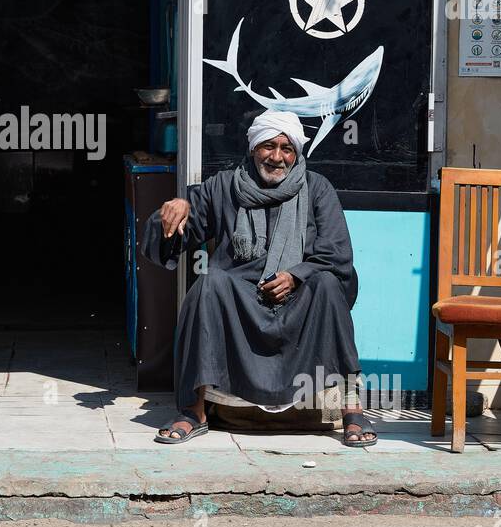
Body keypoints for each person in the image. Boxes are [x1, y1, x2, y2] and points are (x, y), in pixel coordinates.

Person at [142, 111, 376, 446]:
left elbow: (337, 253)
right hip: (241, 298)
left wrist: (296, 276)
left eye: (287, 148)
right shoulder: (224, 186)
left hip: (300, 298)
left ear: (296, 153)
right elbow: (184, 219)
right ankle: (194, 412)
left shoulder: (317, 188)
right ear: (254, 148)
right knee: (209, 285)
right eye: (268, 146)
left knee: (327, 284)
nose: (277, 156)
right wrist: (173, 211)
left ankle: (352, 411)